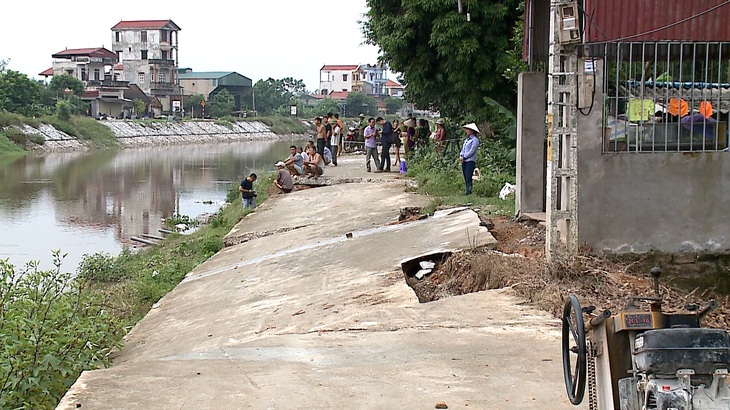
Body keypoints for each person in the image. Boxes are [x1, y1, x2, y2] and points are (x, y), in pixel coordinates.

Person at [459, 123, 480, 196]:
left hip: (470, 161)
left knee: (468, 177)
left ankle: (469, 193)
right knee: (465, 176)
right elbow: (463, 149)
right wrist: (461, 155)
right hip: (464, 160)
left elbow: (472, 151)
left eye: (468, 130)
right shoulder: (467, 140)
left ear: (472, 131)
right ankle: (467, 191)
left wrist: (464, 156)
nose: (467, 131)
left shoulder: (475, 140)